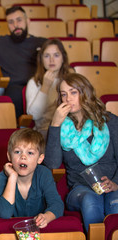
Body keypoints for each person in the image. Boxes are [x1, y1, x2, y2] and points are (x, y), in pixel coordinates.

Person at [44, 72, 118, 232]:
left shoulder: (109, 122)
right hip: (80, 189)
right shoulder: (60, 126)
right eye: (63, 94)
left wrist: (116, 184)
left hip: (112, 184)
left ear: (85, 93)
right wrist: (55, 125)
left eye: (73, 92)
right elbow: (52, 163)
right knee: (91, 199)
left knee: (116, 201)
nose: (68, 99)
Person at [0, 128, 64, 229]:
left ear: (40, 159)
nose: (23, 157)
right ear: (9, 156)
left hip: (33, 225)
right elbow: (4, 214)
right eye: (17, 152)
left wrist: (46, 217)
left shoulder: (44, 174)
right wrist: (12, 177)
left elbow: (57, 204)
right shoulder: (2, 177)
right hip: (5, 224)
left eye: (30, 153)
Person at [0, 6, 47, 118]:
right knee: (13, 96)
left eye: (19, 20)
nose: (16, 25)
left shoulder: (42, 43)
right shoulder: (1, 43)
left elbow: (61, 59)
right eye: (11, 22)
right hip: (14, 87)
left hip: (40, 84)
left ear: (28, 21)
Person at [26, 39, 71, 139]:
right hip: (44, 131)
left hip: (69, 129)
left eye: (56, 55)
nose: (51, 60)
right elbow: (35, 116)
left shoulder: (72, 80)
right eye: (47, 56)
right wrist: (45, 87)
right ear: (41, 59)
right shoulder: (34, 82)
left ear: (63, 58)